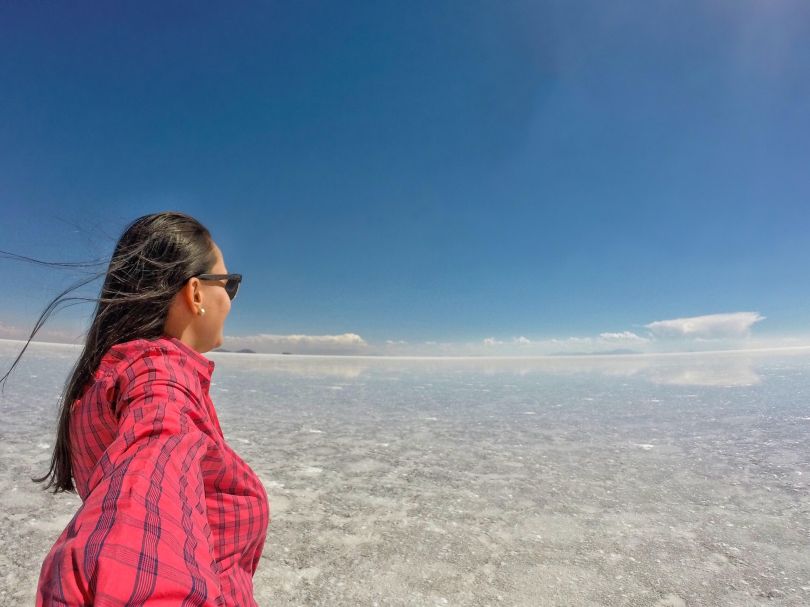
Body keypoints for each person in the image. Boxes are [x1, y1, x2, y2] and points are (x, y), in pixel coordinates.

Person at [24, 211, 269, 606]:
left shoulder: (108, 376)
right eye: (229, 283)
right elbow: (140, 535)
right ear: (195, 293)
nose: (230, 298)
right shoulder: (160, 382)